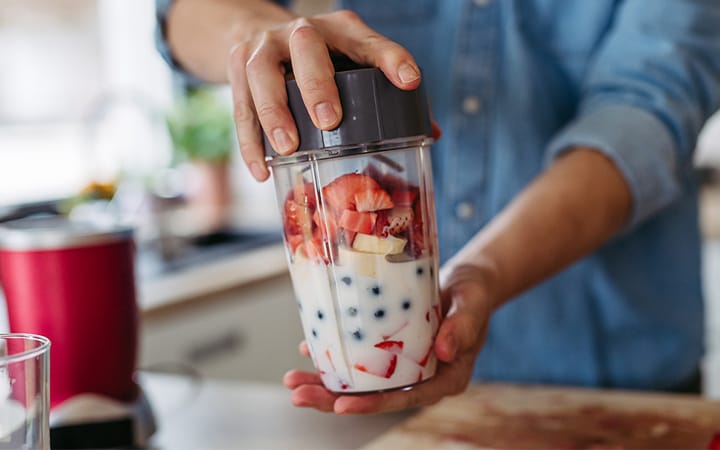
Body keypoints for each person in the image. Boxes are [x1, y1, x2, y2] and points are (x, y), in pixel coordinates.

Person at [155, 0, 720, 414]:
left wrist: (482, 273)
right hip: (397, 406)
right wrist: (261, 33)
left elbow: (646, 118)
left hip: (617, 395)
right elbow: (179, 14)